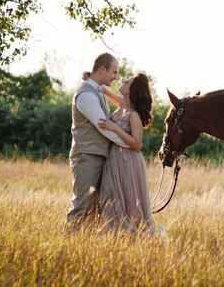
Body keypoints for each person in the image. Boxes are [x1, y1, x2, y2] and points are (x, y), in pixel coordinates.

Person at [97, 73, 165, 237]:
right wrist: (93, 81)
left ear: (132, 89)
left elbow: (137, 144)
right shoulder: (122, 105)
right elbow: (106, 92)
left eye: (127, 81)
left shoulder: (133, 115)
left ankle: (132, 235)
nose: (122, 81)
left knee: (128, 199)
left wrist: (115, 128)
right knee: (110, 194)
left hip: (128, 161)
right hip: (114, 159)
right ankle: (113, 232)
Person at [66, 53, 129, 227]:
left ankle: (84, 245)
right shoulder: (86, 95)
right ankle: (66, 244)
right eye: (114, 72)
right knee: (82, 205)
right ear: (102, 70)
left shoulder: (96, 91)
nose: (115, 77)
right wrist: (130, 143)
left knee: (95, 209)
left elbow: (122, 103)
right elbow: (104, 127)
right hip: (87, 156)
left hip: (97, 155)